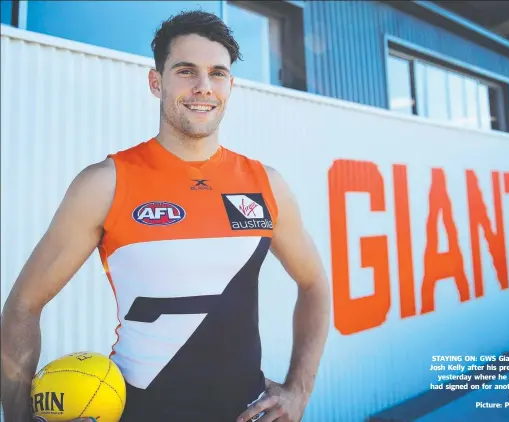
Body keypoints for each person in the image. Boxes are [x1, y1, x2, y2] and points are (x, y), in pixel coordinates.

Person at [0, 10, 330, 422]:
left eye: (218, 73)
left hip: (246, 413)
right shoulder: (105, 184)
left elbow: (315, 283)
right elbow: (23, 306)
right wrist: (17, 417)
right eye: (186, 71)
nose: (203, 87)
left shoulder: (266, 185)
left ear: (231, 85)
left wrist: (299, 389)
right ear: (157, 82)